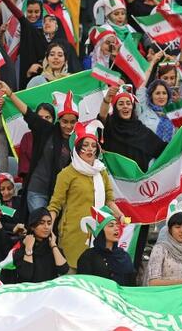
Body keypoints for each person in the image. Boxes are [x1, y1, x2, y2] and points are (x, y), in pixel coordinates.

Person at [48, 122, 121, 270]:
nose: (90, 149)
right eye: (85, 145)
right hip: (73, 234)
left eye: (93, 146)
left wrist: (120, 215)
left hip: (99, 233)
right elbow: (55, 205)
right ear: (77, 148)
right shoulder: (66, 174)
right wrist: (48, 226)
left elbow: (109, 199)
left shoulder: (101, 171)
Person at [77, 206, 135, 286]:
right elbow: (83, 285)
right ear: (101, 232)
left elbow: (132, 284)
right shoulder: (88, 257)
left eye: (117, 225)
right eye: (111, 225)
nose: (116, 228)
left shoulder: (124, 256)